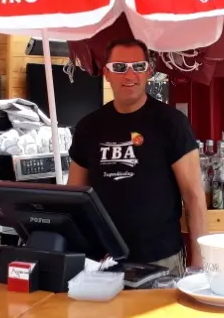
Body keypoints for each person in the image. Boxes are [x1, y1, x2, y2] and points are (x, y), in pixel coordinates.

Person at [68, 38, 207, 272]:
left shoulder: (171, 123)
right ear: (107, 74)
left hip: (159, 258)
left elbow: (194, 197)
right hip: (100, 259)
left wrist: (200, 263)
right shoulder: (88, 127)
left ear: (149, 72)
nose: (130, 75)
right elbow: (74, 196)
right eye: (120, 67)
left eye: (139, 67)